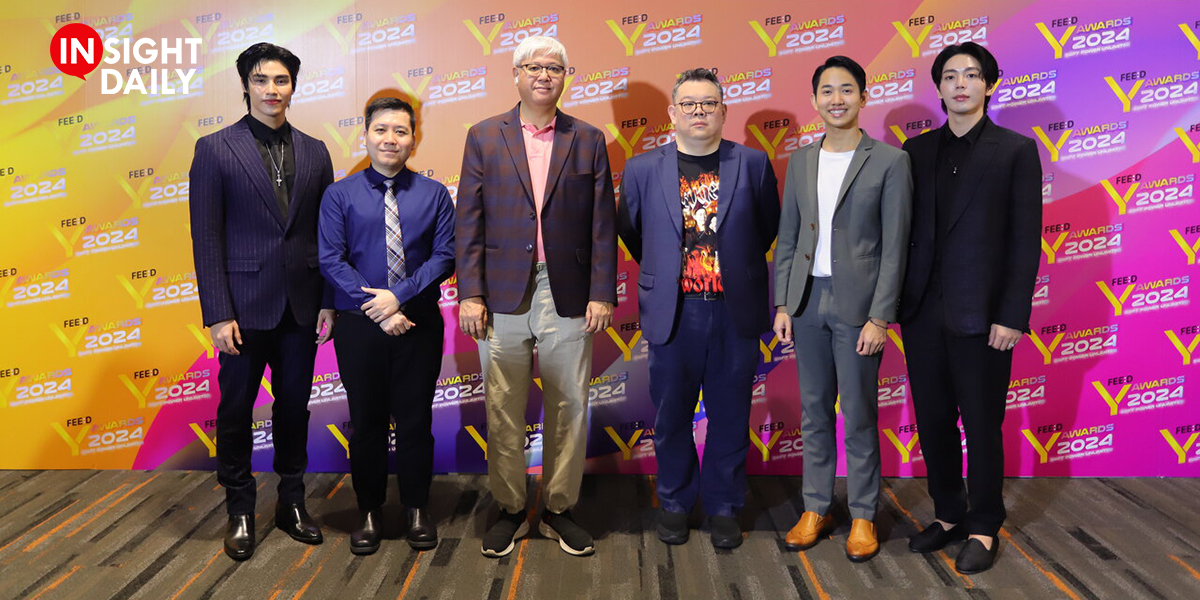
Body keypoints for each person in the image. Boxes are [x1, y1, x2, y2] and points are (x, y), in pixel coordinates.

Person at [456, 36, 617, 558]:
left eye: (554, 67)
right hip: (499, 290)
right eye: (533, 66)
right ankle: (508, 508)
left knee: (569, 402)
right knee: (502, 403)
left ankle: (558, 509)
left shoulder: (588, 138)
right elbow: (469, 221)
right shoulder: (484, 136)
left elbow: (602, 224)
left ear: (566, 76)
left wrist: (601, 292)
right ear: (516, 74)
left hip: (567, 289)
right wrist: (470, 292)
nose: (544, 75)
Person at [617, 68, 780, 549]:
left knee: (730, 416)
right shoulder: (642, 169)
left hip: (734, 311)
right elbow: (632, 231)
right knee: (671, 417)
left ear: (724, 111)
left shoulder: (752, 163)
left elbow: (766, 228)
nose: (699, 112)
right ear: (672, 113)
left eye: (708, 103)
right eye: (688, 104)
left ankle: (724, 505)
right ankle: (674, 501)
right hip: (674, 312)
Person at [899, 42, 1042, 574]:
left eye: (972, 75)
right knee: (933, 421)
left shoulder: (1015, 150)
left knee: (982, 425)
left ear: (989, 84)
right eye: (951, 75)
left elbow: (1025, 240)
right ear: (938, 87)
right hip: (921, 312)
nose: (961, 83)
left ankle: (983, 524)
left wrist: (1012, 315)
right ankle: (948, 513)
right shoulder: (915, 151)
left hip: (984, 318)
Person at [189, 42, 336, 560]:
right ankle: (240, 509)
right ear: (245, 85)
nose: (272, 90)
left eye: (281, 80)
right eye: (261, 80)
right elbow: (206, 236)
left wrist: (328, 301)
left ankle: (292, 502)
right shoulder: (214, 148)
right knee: (235, 411)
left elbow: (327, 233)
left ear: (293, 86)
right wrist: (218, 313)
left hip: (301, 307)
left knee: (294, 408)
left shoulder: (316, 151)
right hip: (243, 309)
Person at [773, 56, 912, 562]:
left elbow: (895, 246)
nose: (837, 99)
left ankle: (862, 514)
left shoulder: (891, 161)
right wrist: (783, 302)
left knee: (857, 415)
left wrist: (880, 316)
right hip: (807, 301)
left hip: (859, 308)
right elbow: (789, 237)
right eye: (827, 91)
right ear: (814, 100)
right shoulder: (801, 160)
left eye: (847, 89)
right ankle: (815, 507)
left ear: (863, 97)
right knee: (813, 412)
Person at [318, 97, 455, 554]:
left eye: (400, 130)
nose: (390, 139)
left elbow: (444, 256)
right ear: (366, 136)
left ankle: (417, 507)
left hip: (419, 323)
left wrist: (400, 297)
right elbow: (331, 259)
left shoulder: (434, 194)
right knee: (367, 423)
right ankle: (369, 510)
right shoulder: (339, 195)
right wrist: (378, 307)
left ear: (414, 138)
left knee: (416, 420)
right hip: (360, 328)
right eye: (381, 130)